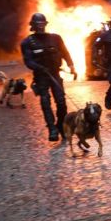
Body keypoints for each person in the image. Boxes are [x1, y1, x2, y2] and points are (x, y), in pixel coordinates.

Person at [21, 13, 76, 141]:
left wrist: (71, 65)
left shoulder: (55, 38)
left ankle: (61, 125)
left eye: (42, 24)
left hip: (55, 74)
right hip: (41, 76)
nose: (40, 27)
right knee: (45, 102)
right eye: (37, 24)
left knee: (61, 102)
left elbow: (65, 52)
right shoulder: (27, 42)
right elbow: (28, 61)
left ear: (45, 24)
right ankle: (52, 129)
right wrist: (39, 68)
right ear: (33, 26)